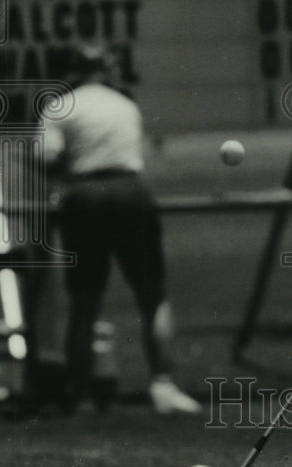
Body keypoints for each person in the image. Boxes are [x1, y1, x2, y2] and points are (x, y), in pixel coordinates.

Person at [42, 44, 202, 415]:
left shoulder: (60, 106)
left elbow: (46, 159)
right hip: (131, 193)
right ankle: (163, 385)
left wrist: (65, 176)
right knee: (153, 296)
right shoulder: (123, 104)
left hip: (84, 197)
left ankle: (79, 394)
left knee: (84, 300)